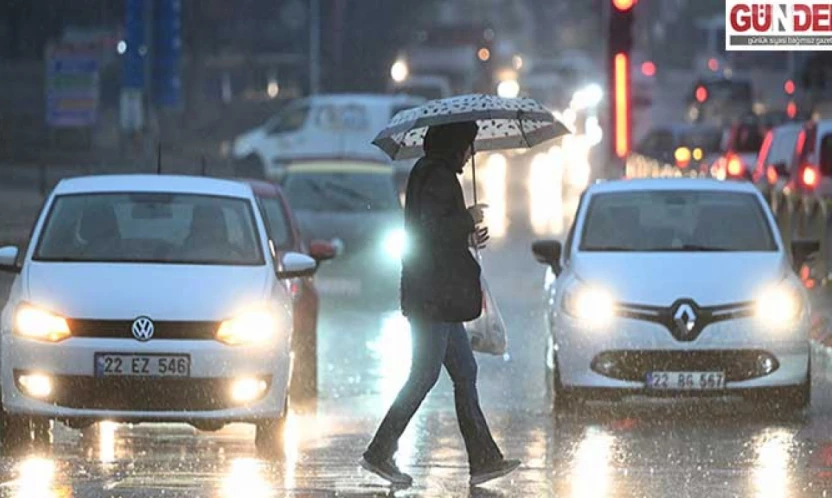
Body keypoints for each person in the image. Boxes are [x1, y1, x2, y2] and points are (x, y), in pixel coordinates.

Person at [360, 121, 520, 487]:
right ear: (454, 144)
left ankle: (483, 459)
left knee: (465, 373)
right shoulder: (435, 174)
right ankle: (380, 452)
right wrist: (467, 218)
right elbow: (431, 229)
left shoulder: (436, 172)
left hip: (440, 296)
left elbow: (440, 234)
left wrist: (468, 234)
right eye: (468, 145)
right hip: (432, 297)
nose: (471, 153)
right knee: (424, 376)